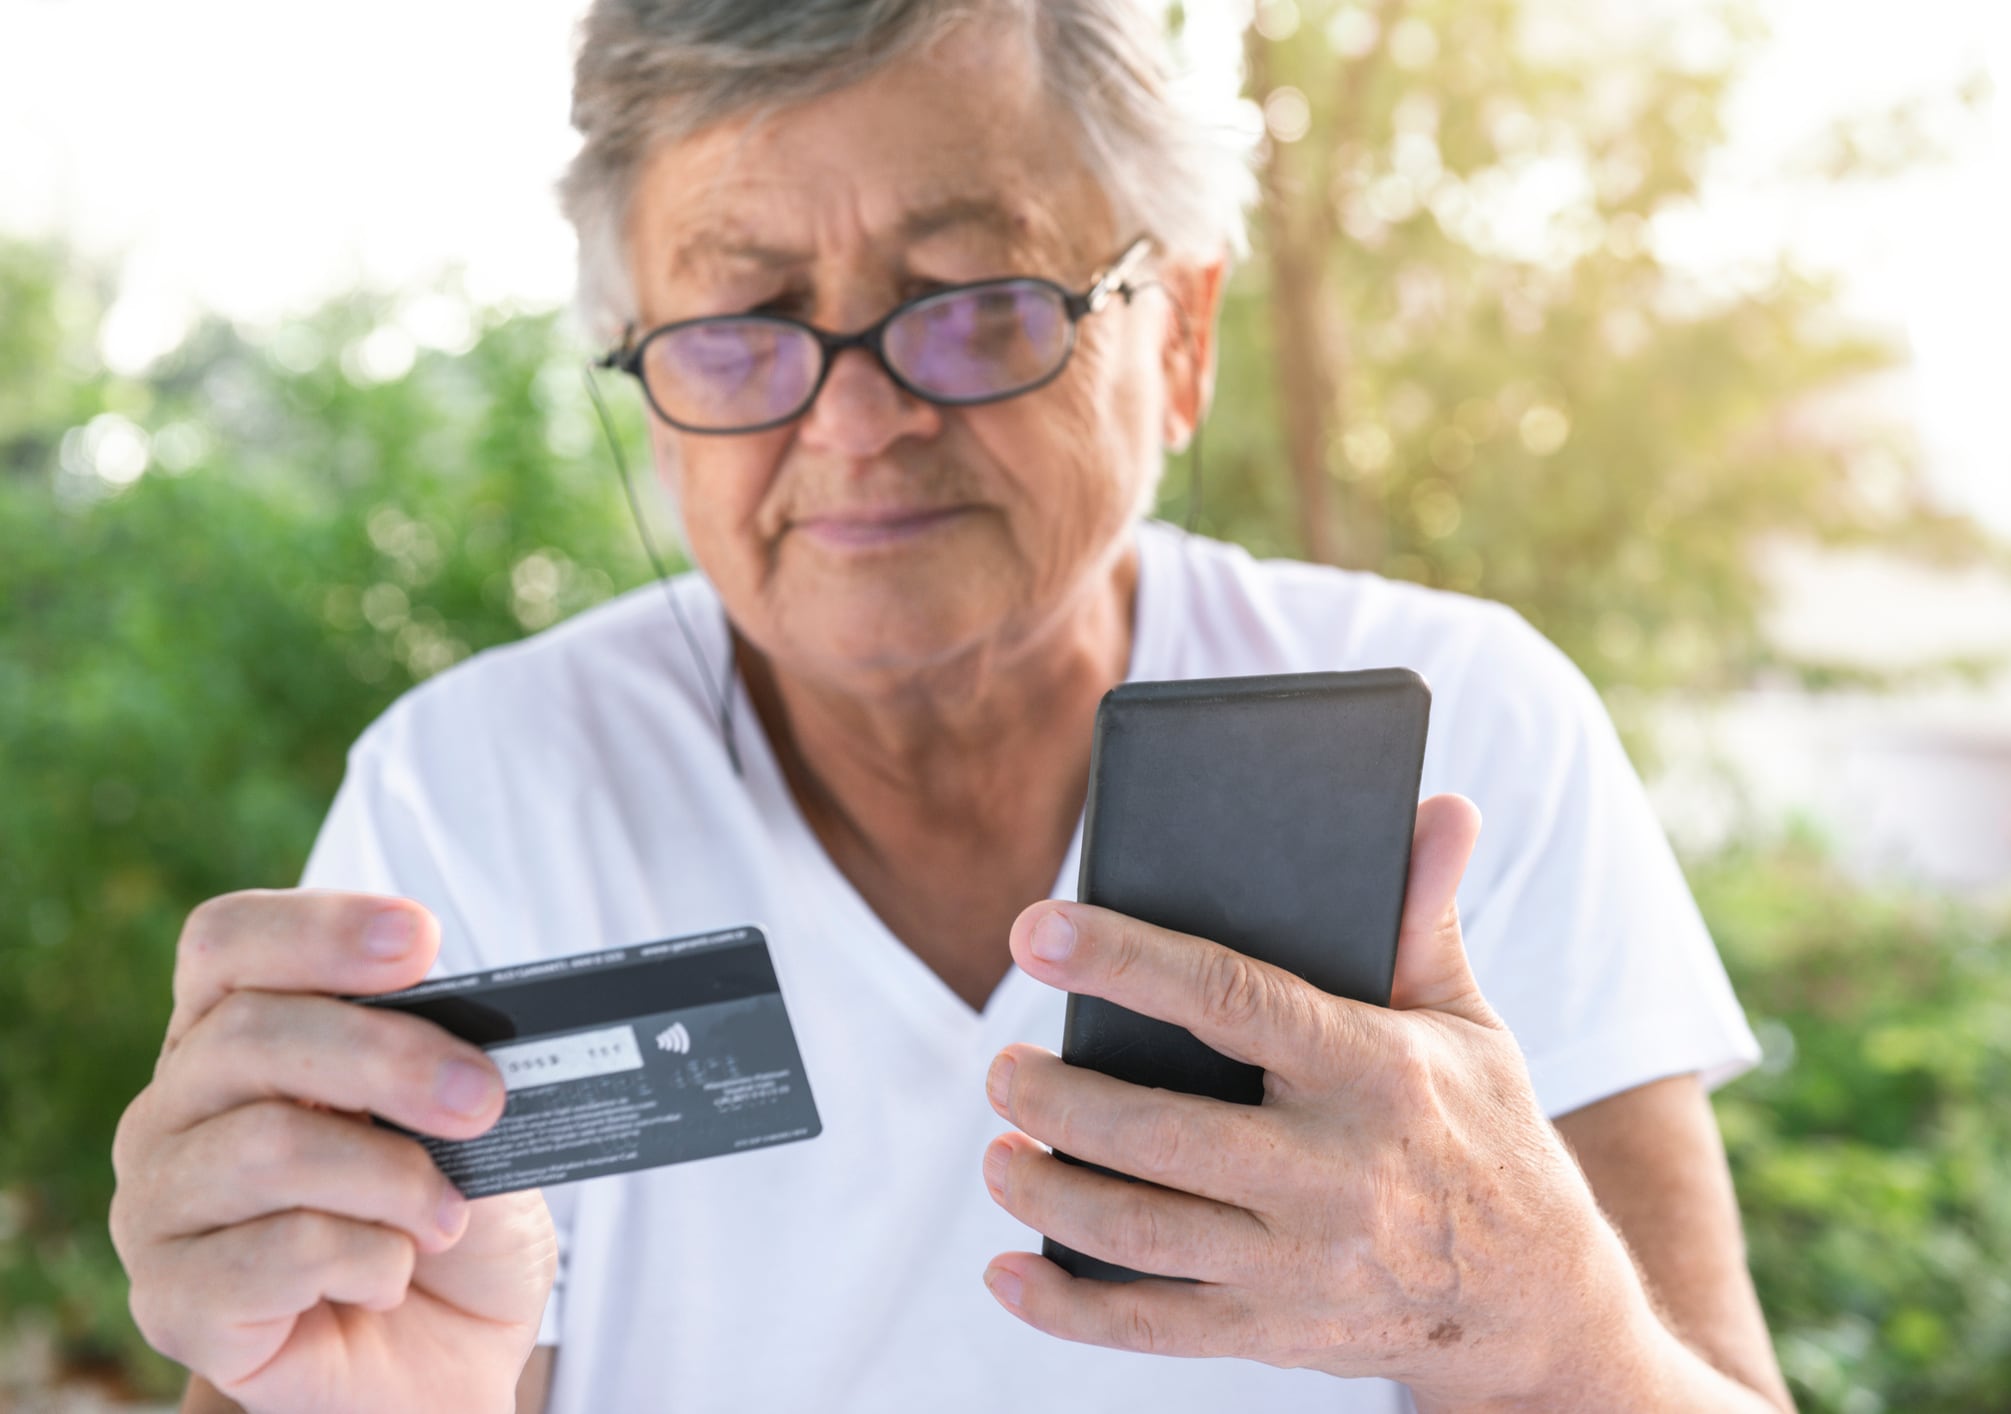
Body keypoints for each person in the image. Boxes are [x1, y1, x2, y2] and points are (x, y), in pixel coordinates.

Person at [108, 2, 1797, 1410]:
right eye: (740, 324)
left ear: (1185, 331)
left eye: (980, 305)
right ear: (642, 369)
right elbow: (364, 1362)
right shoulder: (471, 802)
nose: (854, 424)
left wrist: (1539, 1316)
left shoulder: (1467, 732)